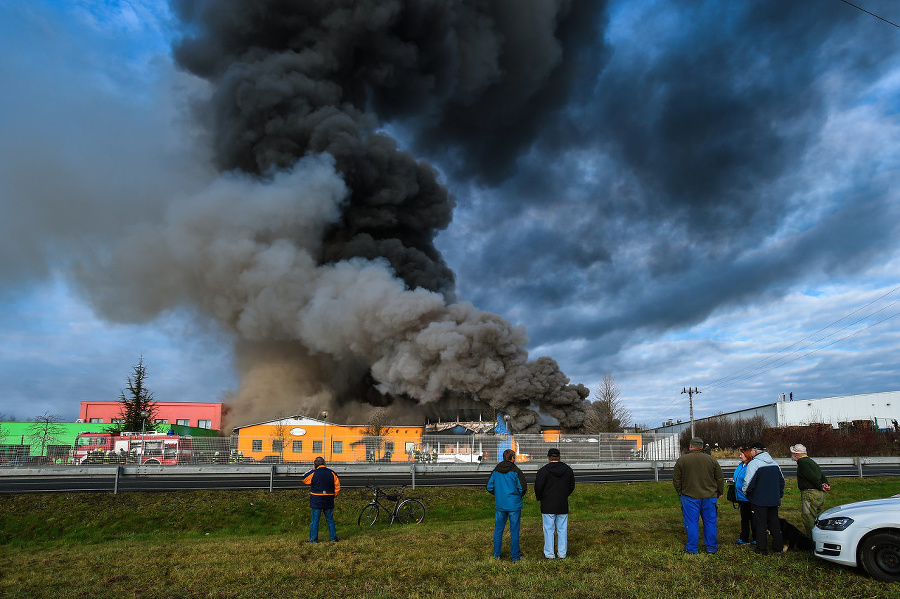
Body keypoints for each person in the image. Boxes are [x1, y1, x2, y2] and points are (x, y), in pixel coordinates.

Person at [672, 437, 724, 554]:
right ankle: (711, 548)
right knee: (710, 522)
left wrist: (679, 491)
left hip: (689, 496)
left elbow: (676, 478)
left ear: (690, 446)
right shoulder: (711, 460)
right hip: (709, 496)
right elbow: (719, 478)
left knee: (691, 522)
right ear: (702, 447)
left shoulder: (682, 460)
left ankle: (692, 549)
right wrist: (719, 491)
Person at [743, 441, 784, 554]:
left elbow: (748, 482)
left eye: (751, 450)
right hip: (774, 499)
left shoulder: (754, 464)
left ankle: (761, 548)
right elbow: (782, 481)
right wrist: (779, 495)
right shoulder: (774, 463)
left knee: (760, 524)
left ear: (755, 451)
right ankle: (778, 547)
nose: (751, 452)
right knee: (774, 523)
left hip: (759, 500)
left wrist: (747, 494)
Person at [486, 448, 527, 561]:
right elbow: (522, 488)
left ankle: (496, 555)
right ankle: (515, 556)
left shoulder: (496, 470)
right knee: (514, 531)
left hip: (500, 504)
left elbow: (489, 486)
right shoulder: (516, 470)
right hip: (513, 504)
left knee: (498, 530)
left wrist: (498, 494)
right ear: (512, 458)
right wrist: (517, 496)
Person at [534, 448, 576, 559]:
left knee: (548, 529)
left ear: (548, 457)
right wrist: (564, 495)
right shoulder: (568, 470)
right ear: (559, 457)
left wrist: (540, 498)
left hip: (547, 503)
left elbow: (538, 487)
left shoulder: (543, 471)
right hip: (562, 503)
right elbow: (571, 486)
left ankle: (549, 554)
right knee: (562, 529)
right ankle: (562, 553)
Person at [790, 443, 831, 537]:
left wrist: (820, 486)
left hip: (810, 493)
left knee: (808, 517)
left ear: (796, 454)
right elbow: (821, 475)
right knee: (818, 516)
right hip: (819, 494)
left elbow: (812, 477)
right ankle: (821, 536)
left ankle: (812, 539)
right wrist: (826, 484)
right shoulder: (811, 461)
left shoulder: (802, 463)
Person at [302, 456, 340, 543]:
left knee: (315, 520)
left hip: (317, 498)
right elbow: (337, 486)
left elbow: (304, 478)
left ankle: (313, 539)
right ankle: (333, 538)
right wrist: (333, 496)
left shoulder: (314, 472)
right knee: (330, 519)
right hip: (328, 498)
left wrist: (312, 469)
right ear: (324, 463)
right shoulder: (332, 473)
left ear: (315, 465)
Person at [731, 447, 756, 545]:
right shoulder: (741, 465)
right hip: (741, 497)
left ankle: (756, 538)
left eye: (742, 454)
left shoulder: (751, 466)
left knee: (753, 519)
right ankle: (744, 537)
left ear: (747, 455)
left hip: (748, 497)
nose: (740, 456)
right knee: (744, 519)